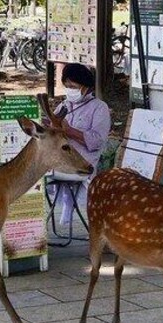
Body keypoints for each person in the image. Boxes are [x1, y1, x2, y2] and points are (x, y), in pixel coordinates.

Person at [49, 63, 111, 225]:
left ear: (86, 87)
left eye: (74, 86)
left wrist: (70, 131)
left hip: (83, 161)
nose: (70, 90)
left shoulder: (99, 108)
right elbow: (53, 126)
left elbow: (97, 140)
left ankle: (72, 208)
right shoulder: (65, 105)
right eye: (67, 86)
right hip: (60, 159)